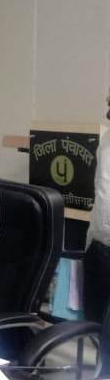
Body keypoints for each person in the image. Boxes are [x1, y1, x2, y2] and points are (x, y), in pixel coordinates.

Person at [84, 90, 110, 324]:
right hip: (99, 249)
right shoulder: (105, 142)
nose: (108, 113)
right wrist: (91, 243)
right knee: (94, 323)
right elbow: (101, 195)